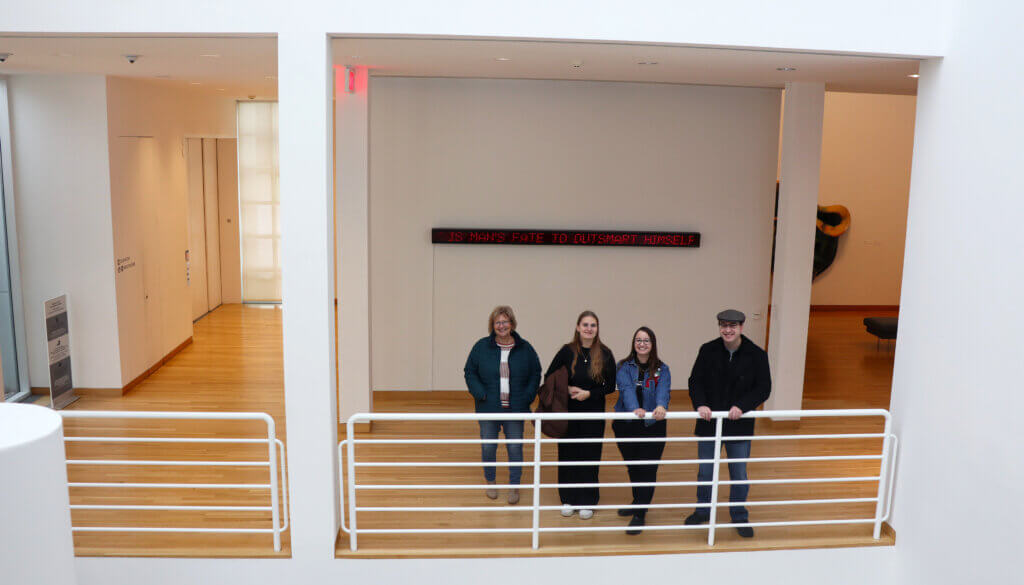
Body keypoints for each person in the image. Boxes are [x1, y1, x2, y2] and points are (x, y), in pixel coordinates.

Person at [685, 309, 771, 537]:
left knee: (739, 473)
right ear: (719, 327)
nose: (728, 330)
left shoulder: (757, 355)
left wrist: (742, 406)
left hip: (739, 424)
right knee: (705, 471)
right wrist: (700, 404)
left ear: (741, 327)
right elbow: (695, 381)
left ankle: (739, 514)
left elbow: (764, 388)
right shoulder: (707, 350)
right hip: (709, 422)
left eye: (732, 325)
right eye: (723, 325)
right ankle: (702, 511)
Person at [464, 306, 542, 505]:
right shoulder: (481, 347)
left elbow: (536, 372)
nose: (501, 326)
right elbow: (470, 371)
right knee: (489, 446)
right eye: (497, 322)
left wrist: (528, 396)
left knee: (515, 448)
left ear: (512, 324)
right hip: (488, 407)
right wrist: (480, 394)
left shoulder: (525, 348)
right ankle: (490, 481)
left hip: (515, 409)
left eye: (505, 322)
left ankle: (514, 486)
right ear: (493, 326)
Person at [545, 310, 616, 519]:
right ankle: (568, 498)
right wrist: (566, 389)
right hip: (568, 412)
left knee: (590, 454)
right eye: (585, 325)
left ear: (597, 329)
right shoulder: (567, 351)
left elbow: (610, 385)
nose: (588, 328)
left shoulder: (605, 353)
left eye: (592, 325)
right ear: (577, 327)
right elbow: (549, 376)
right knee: (567, 454)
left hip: (593, 413)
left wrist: (589, 393)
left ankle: (588, 501)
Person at [612, 326, 671, 535]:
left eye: (646, 340)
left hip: (652, 426)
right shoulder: (623, 366)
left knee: (647, 469)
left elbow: (663, 390)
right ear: (633, 343)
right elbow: (626, 389)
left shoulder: (662, 369)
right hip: (627, 424)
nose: (642, 344)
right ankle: (638, 502)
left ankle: (640, 513)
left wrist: (661, 405)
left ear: (652, 344)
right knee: (633, 468)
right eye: (638, 340)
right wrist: (634, 409)